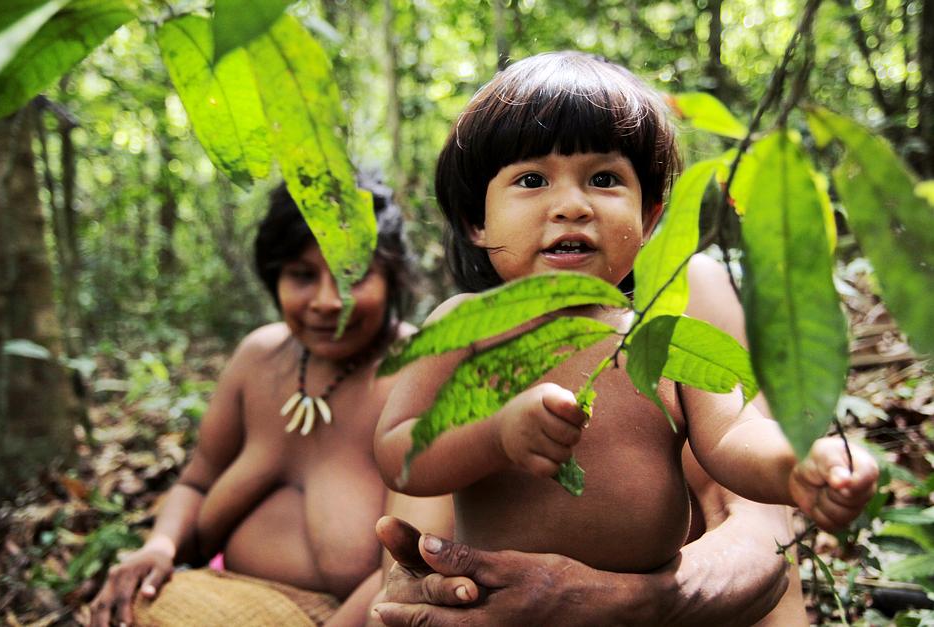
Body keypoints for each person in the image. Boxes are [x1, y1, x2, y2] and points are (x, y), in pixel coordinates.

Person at [373, 51, 878, 620]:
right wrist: (496, 434)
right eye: (532, 180)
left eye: (604, 179)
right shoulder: (465, 326)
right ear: (476, 222)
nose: (571, 206)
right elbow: (399, 451)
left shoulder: (663, 337)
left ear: (650, 217)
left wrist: (801, 465)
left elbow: (735, 434)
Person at [89, 177, 417, 627]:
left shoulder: (417, 375)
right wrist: (158, 547)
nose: (326, 301)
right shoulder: (258, 358)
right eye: (302, 275)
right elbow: (197, 482)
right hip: (211, 591)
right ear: (274, 276)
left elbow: (409, 570)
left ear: (392, 276)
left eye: (352, 274)